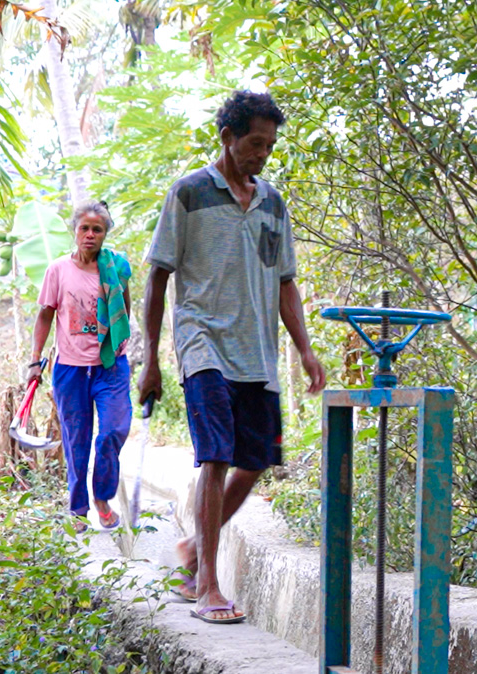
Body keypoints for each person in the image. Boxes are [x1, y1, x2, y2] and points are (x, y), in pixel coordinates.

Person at [138, 90, 326, 625]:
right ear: (227, 137)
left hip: (257, 352)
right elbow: (157, 278)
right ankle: (207, 587)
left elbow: (285, 281)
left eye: (269, 145)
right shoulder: (190, 192)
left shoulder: (272, 203)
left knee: (258, 459)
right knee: (216, 455)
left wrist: (305, 349)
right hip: (203, 344)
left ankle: (195, 550)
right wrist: (151, 359)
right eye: (254, 143)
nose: (262, 154)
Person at [28, 200, 133, 534]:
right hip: (70, 370)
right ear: (75, 231)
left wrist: (116, 336)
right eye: (84, 229)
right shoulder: (58, 270)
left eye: (97, 229)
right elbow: (45, 315)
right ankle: (78, 509)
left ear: (105, 233)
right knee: (77, 441)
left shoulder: (116, 267)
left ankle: (102, 497)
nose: (90, 235)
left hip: (110, 366)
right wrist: (35, 360)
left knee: (114, 430)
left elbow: (123, 307)